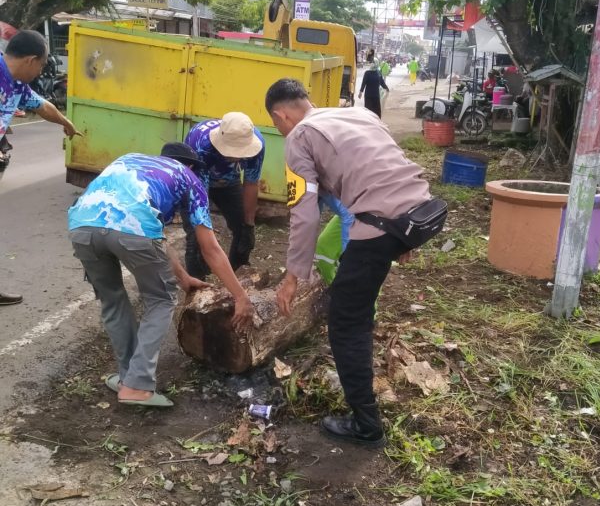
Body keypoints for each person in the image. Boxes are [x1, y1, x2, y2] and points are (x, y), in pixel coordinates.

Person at [265, 78, 433, 449]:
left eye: (276, 125)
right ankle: (365, 370)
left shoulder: (298, 138)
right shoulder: (359, 113)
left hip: (381, 223)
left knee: (345, 321)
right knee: (357, 299)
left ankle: (366, 425)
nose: (280, 130)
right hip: (420, 213)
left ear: (281, 115)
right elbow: (390, 167)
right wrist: (405, 238)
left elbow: (305, 215)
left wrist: (293, 277)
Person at [68, 145, 254, 408]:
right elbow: (210, 248)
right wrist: (240, 296)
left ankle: (128, 378)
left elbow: (156, 238)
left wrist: (184, 278)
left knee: (112, 300)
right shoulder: (188, 177)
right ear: (191, 166)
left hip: (81, 225)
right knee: (160, 300)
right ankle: (137, 385)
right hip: (132, 228)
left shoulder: (130, 158)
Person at [1, 29, 83, 306]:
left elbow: (42, 105)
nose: (39, 73)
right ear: (31, 60)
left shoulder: (16, 84)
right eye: (40, 66)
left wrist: (66, 123)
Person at [183, 113, 265, 276]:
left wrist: (249, 225)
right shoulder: (201, 144)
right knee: (196, 238)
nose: (236, 157)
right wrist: (204, 237)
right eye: (232, 151)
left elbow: (250, 183)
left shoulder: (257, 144)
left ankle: (238, 279)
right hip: (196, 182)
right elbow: (200, 196)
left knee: (243, 231)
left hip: (228, 181)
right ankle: (197, 292)